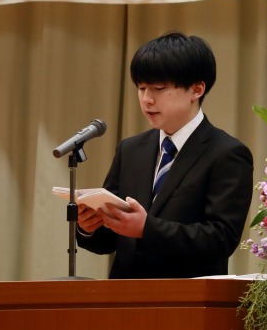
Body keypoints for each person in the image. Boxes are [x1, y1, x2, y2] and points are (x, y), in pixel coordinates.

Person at [75, 32, 254, 279]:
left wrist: (147, 229)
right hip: (124, 295)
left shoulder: (227, 153)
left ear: (197, 89)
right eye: (141, 88)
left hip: (187, 296)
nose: (147, 99)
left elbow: (221, 239)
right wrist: (88, 227)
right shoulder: (130, 149)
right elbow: (108, 241)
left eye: (159, 88)